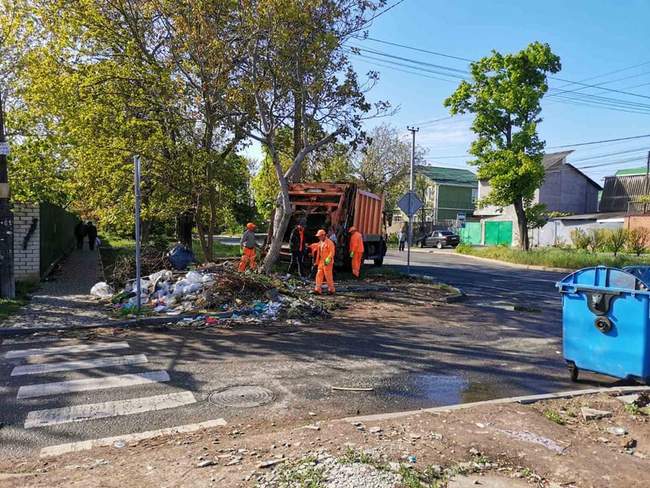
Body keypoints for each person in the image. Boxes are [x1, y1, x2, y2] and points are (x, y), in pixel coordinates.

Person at [314, 229, 335, 295]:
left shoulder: (329, 242)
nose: (318, 237)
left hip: (327, 262)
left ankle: (331, 290)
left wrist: (328, 259)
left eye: (319, 236)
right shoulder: (320, 242)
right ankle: (318, 289)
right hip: (321, 261)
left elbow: (332, 252)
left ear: (323, 235)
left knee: (328, 276)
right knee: (319, 274)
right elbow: (317, 248)